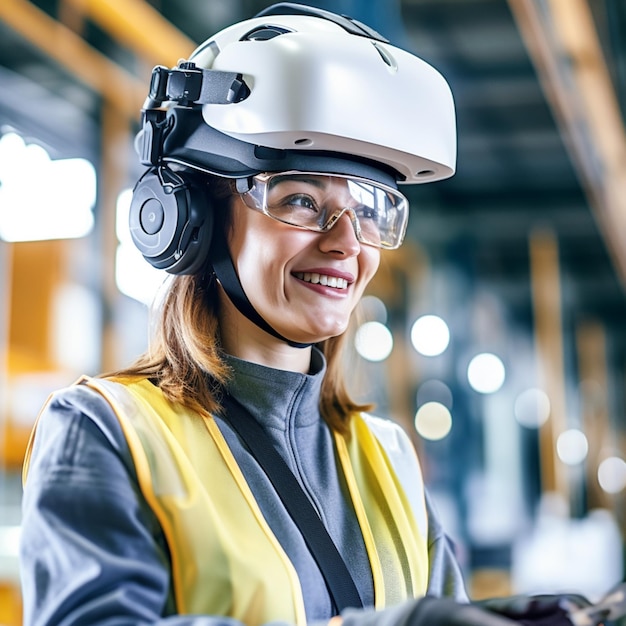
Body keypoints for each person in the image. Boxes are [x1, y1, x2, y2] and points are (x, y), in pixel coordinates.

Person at [19, 3, 594, 625]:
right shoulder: (107, 431)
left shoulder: (389, 457)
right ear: (195, 217)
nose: (346, 242)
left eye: (369, 210)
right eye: (300, 199)